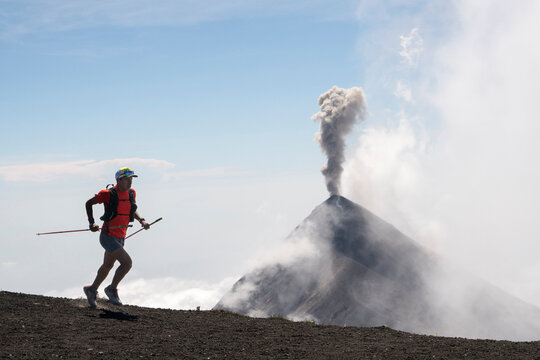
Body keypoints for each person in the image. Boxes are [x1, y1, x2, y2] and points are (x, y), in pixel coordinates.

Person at [83, 167, 150, 308]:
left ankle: (91, 289)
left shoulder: (131, 193)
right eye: (127, 179)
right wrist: (91, 222)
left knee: (108, 265)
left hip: (121, 236)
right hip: (108, 236)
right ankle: (111, 289)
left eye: (131, 179)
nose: (130, 182)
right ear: (119, 180)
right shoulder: (108, 194)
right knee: (127, 263)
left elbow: (132, 208)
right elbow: (88, 203)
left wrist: (142, 220)